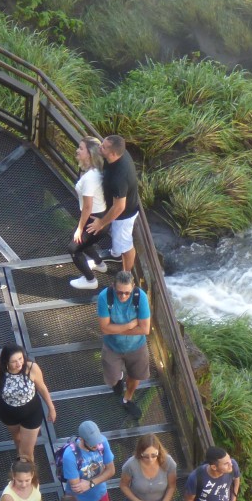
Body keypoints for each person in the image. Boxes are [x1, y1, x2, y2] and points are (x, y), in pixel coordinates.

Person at [97, 271, 151, 419]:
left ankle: (127, 399)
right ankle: (119, 378)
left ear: (133, 287)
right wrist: (129, 325)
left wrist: (116, 329)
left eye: (127, 293)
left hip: (137, 347)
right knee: (112, 379)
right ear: (113, 286)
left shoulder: (140, 298)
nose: (123, 297)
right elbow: (104, 328)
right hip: (112, 347)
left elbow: (145, 329)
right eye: (119, 293)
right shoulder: (104, 297)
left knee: (135, 377)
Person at [85, 135, 141, 274]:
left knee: (125, 245)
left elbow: (119, 207)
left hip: (123, 216)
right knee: (119, 243)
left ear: (113, 153)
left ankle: (126, 275)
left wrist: (101, 223)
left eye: (103, 147)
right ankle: (115, 254)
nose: (100, 147)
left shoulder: (119, 177)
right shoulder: (120, 153)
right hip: (121, 208)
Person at [0, 344, 55, 461]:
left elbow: (42, 387)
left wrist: (51, 408)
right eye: (14, 361)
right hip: (8, 413)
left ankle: (28, 474)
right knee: (17, 439)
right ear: (6, 362)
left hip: (31, 413)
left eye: (20, 359)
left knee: (27, 454)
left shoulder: (31, 368)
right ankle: (20, 457)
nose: (19, 364)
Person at [68, 136, 109, 290]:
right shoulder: (94, 171)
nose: (77, 150)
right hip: (100, 217)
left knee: (73, 248)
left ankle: (90, 280)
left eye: (81, 148)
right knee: (79, 240)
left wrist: (80, 227)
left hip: (94, 221)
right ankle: (99, 264)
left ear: (90, 154)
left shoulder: (91, 178)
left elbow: (87, 207)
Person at [61, 420, 117, 501]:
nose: (97, 445)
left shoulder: (102, 442)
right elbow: (78, 488)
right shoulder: (70, 455)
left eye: (97, 441)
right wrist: (102, 474)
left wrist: (90, 483)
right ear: (82, 439)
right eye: (92, 443)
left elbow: (111, 470)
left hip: (100, 495)